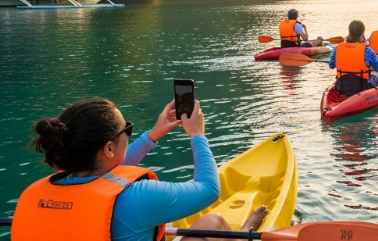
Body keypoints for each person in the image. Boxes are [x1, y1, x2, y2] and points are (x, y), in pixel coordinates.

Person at [13, 98, 268, 241]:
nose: (130, 133)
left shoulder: (37, 193)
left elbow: (112, 167)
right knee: (214, 222)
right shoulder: (138, 197)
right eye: (128, 129)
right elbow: (209, 190)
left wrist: (154, 133)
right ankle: (244, 233)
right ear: (110, 148)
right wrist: (197, 135)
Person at [329, 20, 378, 96]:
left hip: (341, 87)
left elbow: (331, 65)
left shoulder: (337, 48)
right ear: (362, 34)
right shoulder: (367, 50)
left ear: (349, 32)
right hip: (362, 88)